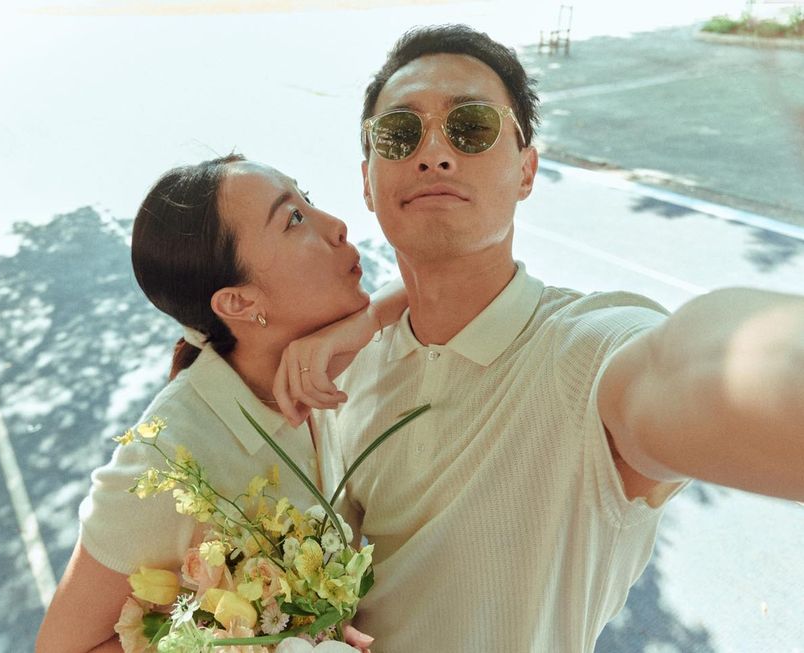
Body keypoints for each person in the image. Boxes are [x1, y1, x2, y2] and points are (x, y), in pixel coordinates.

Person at [273, 25, 804, 652]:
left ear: (526, 170)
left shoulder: (585, 353)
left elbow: (690, 367)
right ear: (368, 181)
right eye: (399, 133)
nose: (434, 153)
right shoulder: (345, 370)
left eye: (472, 127)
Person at [35, 154, 402, 652]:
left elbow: (445, 280)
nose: (337, 226)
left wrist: (370, 319)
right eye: (294, 218)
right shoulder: (167, 458)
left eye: (308, 200)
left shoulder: (318, 361)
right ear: (239, 303)